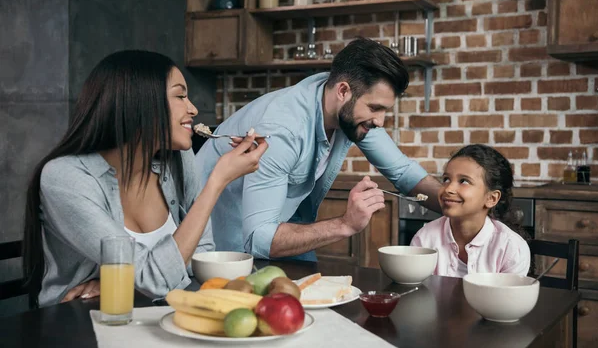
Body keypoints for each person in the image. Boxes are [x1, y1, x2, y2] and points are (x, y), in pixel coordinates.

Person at [23, 50, 267, 308]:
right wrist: (217, 181)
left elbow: (200, 253)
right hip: (76, 328)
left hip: (150, 315)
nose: (193, 108)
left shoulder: (177, 161)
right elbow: (157, 281)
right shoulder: (65, 178)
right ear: (140, 102)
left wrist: (123, 281)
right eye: (180, 96)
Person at [195, 37, 442, 261]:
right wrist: (345, 224)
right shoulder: (282, 131)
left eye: (385, 110)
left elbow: (403, 172)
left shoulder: (345, 109)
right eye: (375, 108)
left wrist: (459, 203)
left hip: (279, 226)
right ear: (343, 91)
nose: (380, 121)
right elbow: (258, 238)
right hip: (223, 245)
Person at [410, 144, 530, 277]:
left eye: (464, 181)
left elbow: (507, 297)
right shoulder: (424, 239)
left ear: (491, 198)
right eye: (446, 179)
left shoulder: (512, 248)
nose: (449, 188)